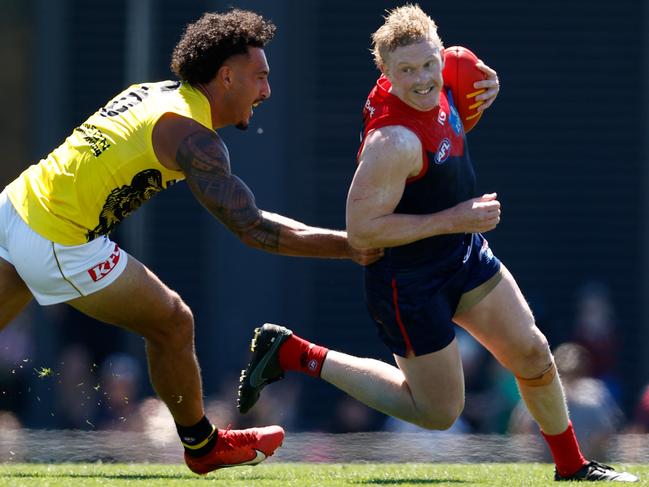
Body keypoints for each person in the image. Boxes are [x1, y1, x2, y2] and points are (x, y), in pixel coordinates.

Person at [237, 4, 637, 482]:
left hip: (460, 252)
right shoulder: (392, 142)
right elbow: (362, 232)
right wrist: (456, 217)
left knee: (533, 352)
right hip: (408, 281)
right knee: (438, 412)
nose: (424, 78)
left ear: (439, 51)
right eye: (407, 71)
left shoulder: (451, 67)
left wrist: (489, 90)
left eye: (429, 63)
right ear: (386, 73)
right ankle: (294, 353)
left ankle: (572, 467)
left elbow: (454, 112)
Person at [0, 9, 380, 475]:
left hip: (15, 206)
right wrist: (353, 245)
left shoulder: (154, 92)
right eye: (259, 77)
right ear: (225, 76)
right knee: (173, 323)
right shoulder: (192, 136)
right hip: (56, 239)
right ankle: (203, 446)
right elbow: (252, 229)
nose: (266, 91)